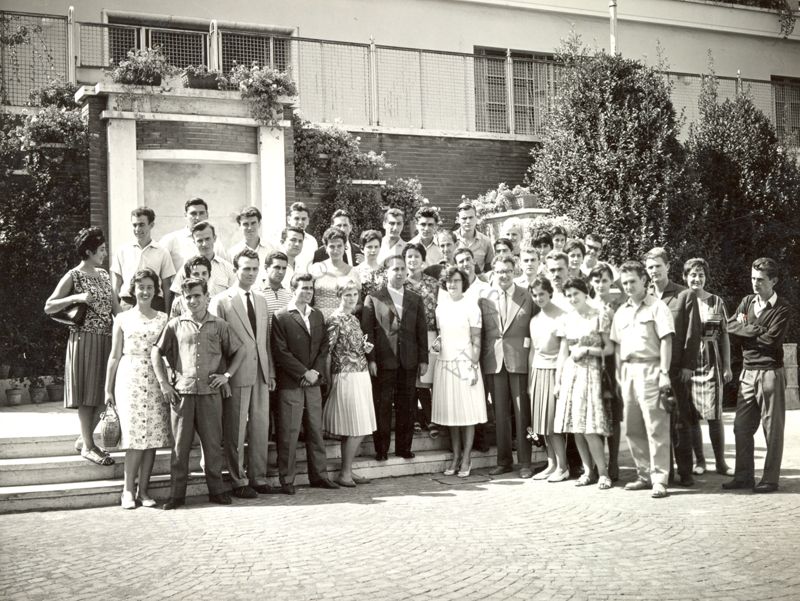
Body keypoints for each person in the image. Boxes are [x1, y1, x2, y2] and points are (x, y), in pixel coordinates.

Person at [152, 277, 246, 509]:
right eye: (188, 297)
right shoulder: (175, 324)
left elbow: (240, 349)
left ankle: (216, 490)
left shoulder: (220, 325)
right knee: (179, 447)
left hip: (211, 394)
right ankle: (177, 495)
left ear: (207, 297)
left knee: (213, 445)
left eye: (197, 295)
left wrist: (227, 376)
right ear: (183, 300)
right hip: (182, 394)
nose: (193, 300)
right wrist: (164, 383)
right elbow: (157, 351)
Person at [45, 227, 118, 467]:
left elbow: (116, 309)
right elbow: (49, 306)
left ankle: (83, 439)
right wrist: (75, 298)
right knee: (88, 395)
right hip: (84, 340)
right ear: (88, 251)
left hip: (107, 339)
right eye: (101, 250)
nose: (105, 253)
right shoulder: (73, 276)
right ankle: (89, 445)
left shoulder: (104, 275)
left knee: (106, 394)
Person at [209, 249, 276, 499]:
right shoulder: (222, 300)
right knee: (236, 428)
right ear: (236, 269)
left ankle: (258, 477)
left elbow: (264, 341)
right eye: (246, 268)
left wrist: (270, 373)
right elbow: (217, 344)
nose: (250, 273)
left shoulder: (261, 300)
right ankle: (238, 479)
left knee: (260, 427)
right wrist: (223, 376)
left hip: (260, 372)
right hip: (235, 373)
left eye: (254, 269)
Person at [723, 257, 792, 494]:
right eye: (752, 278)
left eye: (760, 280)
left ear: (774, 281)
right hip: (747, 373)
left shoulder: (782, 308)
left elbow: (771, 341)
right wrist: (756, 330)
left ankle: (770, 479)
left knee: (772, 430)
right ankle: (743, 476)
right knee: (741, 427)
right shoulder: (746, 301)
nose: (755, 284)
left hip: (771, 373)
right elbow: (730, 326)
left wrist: (747, 330)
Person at [103, 269, 171, 509]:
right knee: (133, 437)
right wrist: (108, 389)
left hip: (155, 377)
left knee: (151, 437)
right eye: (141, 287)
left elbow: (166, 354)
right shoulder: (122, 318)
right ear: (133, 289)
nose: (145, 291)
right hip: (129, 376)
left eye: (150, 287)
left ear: (155, 290)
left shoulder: (164, 319)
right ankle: (127, 491)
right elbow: (113, 356)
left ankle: (144, 490)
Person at [611, 261, 675, 499]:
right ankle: (643, 474)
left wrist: (664, 372)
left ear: (644, 281)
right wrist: (619, 374)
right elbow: (617, 346)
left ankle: (660, 478)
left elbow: (667, 340)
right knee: (633, 427)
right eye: (624, 282)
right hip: (628, 372)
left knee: (656, 427)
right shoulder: (621, 312)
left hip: (651, 369)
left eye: (632, 282)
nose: (628, 286)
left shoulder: (657, 308)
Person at [271, 273, 338, 494]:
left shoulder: (317, 315)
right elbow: (280, 352)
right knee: (289, 433)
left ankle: (319, 476)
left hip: (314, 383)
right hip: (292, 383)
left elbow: (323, 347)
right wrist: (303, 372)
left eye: (311, 288)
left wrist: (316, 371)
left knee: (315, 431)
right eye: (304, 288)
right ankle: (287, 480)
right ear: (293, 289)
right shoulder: (281, 316)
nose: (308, 292)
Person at [361, 255, 429, 461]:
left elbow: (421, 330)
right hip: (383, 360)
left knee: (407, 405)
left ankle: (403, 448)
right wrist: (371, 359)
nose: (399, 273)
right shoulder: (374, 297)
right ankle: (381, 449)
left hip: (409, 359)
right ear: (386, 273)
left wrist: (423, 359)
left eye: (402, 269)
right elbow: (368, 331)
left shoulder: (415, 298)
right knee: (382, 405)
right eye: (394, 269)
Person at [645, 246, 702, 487]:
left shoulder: (684, 295)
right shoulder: (643, 296)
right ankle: (663, 472)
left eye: (658, 266)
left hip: (677, 369)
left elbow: (693, 333)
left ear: (668, 266)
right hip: (651, 369)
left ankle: (686, 472)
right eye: (649, 267)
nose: (654, 271)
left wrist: (688, 366)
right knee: (657, 423)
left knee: (680, 422)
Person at [554, 278, 614, 490]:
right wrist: (558, 382)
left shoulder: (600, 315)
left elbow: (609, 349)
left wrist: (588, 350)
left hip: (592, 372)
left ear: (584, 292)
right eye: (568, 295)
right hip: (572, 373)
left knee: (589, 428)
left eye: (575, 294)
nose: (572, 299)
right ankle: (588, 471)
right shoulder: (567, 318)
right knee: (576, 428)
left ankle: (604, 473)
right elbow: (563, 353)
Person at [479, 256, 534, 478]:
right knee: (500, 414)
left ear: (515, 271)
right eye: (500, 271)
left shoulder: (527, 296)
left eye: (509, 271)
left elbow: (534, 328)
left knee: (522, 415)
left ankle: (526, 463)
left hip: (520, 361)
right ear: (493, 272)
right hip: (494, 361)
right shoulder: (485, 299)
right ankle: (504, 461)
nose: (504, 275)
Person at [432, 266, 487, 477]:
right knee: (451, 414)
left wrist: (473, 366)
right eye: (449, 281)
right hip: (445, 364)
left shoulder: (471, 306)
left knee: (467, 414)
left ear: (463, 282)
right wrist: (437, 346)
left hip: (465, 365)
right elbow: (442, 335)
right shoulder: (441, 307)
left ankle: (467, 458)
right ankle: (455, 456)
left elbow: (476, 340)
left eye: (456, 280)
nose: (452, 285)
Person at [323, 278, 378, 487]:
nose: (351, 299)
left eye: (355, 295)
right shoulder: (335, 319)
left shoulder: (354, 319)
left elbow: (355, 346)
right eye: (347, 295)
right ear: (339, 296)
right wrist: (328, 380)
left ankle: (348, 470)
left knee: (358, 425)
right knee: (356, 426)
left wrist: (365, 349)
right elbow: (328, 352)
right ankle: (344, 473)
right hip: (346, 376)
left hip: (360, 373)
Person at [682, 258, 734, 477]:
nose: (697, 279)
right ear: (685, 277)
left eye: (701, 275)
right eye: (693, 274)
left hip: (712, 361)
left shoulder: (716, 301)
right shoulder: (681, 301)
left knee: (715, 415)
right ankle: (700, 461)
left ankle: (721, 463)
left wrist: (727, 366)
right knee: (692, 415)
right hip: (689, 363)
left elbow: (725, 337)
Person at [527, 278, 569, 482]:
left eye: (541, 294)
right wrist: (529, 382)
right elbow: (533, 351)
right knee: (542, 424)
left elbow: (563, 352)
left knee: (553, 424)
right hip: (538, 372)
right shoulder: (534, 320)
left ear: (549, 293)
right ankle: (551, 463)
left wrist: (559, 379)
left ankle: (563, 466)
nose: (538, 298)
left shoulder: (562, 317)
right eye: (534, 295)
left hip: (554, 372)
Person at [588, 262, 625, 481]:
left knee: (612, 415)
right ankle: (597, 463)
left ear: (611, 281)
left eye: (604, 280)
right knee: (596, 415)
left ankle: (614, 462)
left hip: (611, 364)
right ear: (591, 282)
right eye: (597, 280)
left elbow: (619, 341)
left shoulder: (617, 306)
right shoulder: (587, 305)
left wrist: (619, 371)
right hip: (591, 364)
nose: (600, 284)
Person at [403, 242, 440, 436]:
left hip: (430, 334)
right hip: (408, 336)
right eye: (409, 256)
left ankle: (430, 417)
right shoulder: (401, 284)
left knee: (427, 377)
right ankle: (415, 418)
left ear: (423, 260)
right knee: (411, 376)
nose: (413, 260)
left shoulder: (433, 284)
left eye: (416, 256)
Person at [110, 207, 175, 312]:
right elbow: (116, 285)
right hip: (128, 303)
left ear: (151, 225)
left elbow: (166, 286)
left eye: (141, 225)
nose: (137, 229)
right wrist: (116, 310)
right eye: (134, 225)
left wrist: (167, 313)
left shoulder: (162, 252)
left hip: (154, 304)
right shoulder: (122, 250)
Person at [160, 197, 228, 272]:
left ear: (207, 215)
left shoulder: (216, 242)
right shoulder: (171, 239)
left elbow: (224, 269)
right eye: (193, 213)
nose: (198, 218)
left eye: (201, 213)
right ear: (185, 215)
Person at [170, 221, 236, 298]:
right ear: (194, 242)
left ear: (214, 238)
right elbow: (178, 297)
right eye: (200, 241)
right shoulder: (187, 268)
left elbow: (234, 295)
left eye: (207, 239)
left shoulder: (227, 268)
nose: (204, 244)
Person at [310, 227, 361, 320]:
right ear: (325, 247)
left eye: (339, 246)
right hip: (318, 321)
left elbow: (359, 304)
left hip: (343, 321)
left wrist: (346, 311)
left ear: (345, 246)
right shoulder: (316, 268)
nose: (336, 250)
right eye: (332, 246)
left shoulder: (353, 272)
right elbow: (309, 298)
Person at [228, 206, 276, 285]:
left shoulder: (271, 249)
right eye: (246, 224)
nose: (250, 228)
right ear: (240, 226)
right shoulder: (232, 253)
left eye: (253, 223)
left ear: (259, 224)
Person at [454, 201, 493, 274]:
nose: (468, 221)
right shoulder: (451, 240)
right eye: (464, 218)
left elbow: (489, 269)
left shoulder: (486, 241)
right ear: (458, 220)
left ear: (476, 218)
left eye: (471, 217)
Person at [257, 251, 293, 328]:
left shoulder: (290, 294)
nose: (281, 272)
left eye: (284, 268)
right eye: (277, 267)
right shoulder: (256, 293)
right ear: (266, 268)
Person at [355, 229, 386, 298]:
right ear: (362, 249)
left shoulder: (385, 272)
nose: (373, 250)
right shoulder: (355, 272)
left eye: (376, 247)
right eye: (369, 247)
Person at [287, 201, 317, 273]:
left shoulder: (312, 242)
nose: (300, 222)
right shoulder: (281, 240)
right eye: (296, 218)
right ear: (288, 220)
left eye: (303, 219)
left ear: (308, 221)